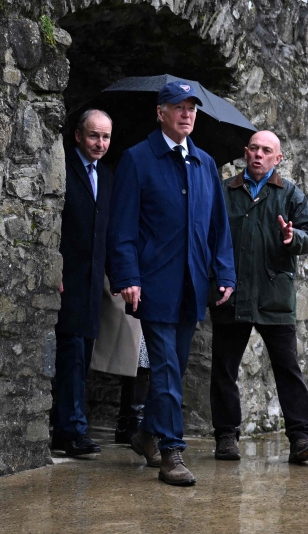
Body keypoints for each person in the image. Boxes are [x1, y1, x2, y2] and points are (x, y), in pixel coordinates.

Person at [108, 80, 237, 486]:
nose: (187, 113)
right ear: (160, 112)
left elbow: (219, 229)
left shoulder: (205, 164)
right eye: (178, 106)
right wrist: (127, 275)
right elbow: (122, 227)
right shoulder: (137, 159)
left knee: (174, 369)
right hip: (153, 284)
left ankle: (145, 434)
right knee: (165, 368)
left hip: (193, 286)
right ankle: (171, 451)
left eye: (192, 107)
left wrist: (225, 273)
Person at [210, 131, 308, 464]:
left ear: (278, 158)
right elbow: (211, 233)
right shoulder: (225, 190)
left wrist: (292, 237)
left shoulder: (290, 194)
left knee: (287, 368)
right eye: (254, 149)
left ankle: (301, 437)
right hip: (232, 293)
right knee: (223, 369)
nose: (259, 155)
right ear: (246, 153)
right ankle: (226, 436)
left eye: (266, 151)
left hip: (275, 295)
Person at [52, 109, 114, 457]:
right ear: (78, 136)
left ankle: (70, 425)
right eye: (94, 136)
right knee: (71, 355)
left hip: (92, 282)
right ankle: (71, 431)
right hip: (67, 277)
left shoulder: (106, 176)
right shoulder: (62, 170)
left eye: (105, 137)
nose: (100, 143)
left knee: (83, 354)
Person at [89, 279, 151, 445]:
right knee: (135, 351)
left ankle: (130, 422)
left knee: (141, 355)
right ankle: (131, 423)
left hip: (150, 283)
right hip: (128, 282)